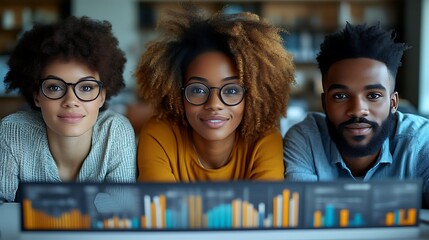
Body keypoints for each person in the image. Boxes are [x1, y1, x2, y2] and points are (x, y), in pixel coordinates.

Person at [135, 5, 295, 182]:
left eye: (232, 90)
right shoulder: (159, 135)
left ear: (252, 96)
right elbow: (162, 206)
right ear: (177, 94)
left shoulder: (264, 139)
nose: (214, 104)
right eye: (197, 90)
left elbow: (265, 206)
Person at [0, 16, 136, 202]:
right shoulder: (12, 133)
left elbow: (121, 214)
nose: (71, 101)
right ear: (36, 96)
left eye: (86, 88)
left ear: (102, 95)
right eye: (54, 87)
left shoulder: (116, 133)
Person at [283, 22, 429, 190]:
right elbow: (302, 209)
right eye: (341, 96)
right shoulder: (306, 140)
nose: (358, 110)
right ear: (324, 103)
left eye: (374, 96)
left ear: (393, 103)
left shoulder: (420, 142)